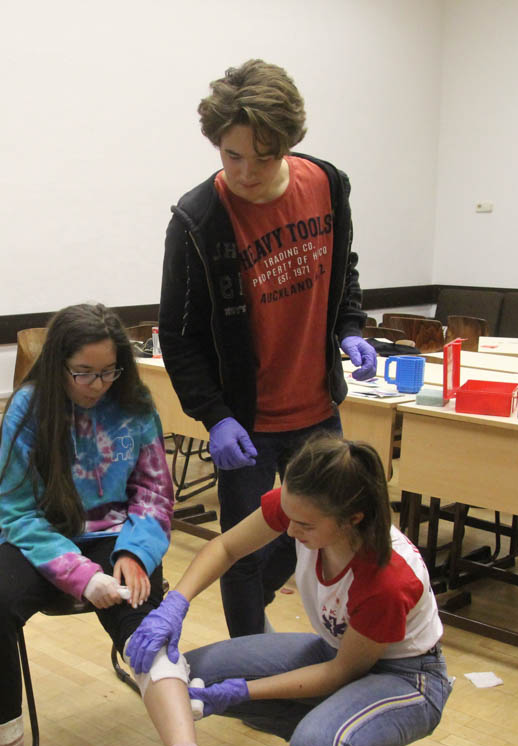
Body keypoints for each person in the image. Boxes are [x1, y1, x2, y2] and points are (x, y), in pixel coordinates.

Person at [127, 434, 449, 746]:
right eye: (290, 516)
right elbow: (226, 548)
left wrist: (244, 691)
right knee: (199, 673)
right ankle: (322, 738)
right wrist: (176, 603)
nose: (290, 529)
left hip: (407, 677)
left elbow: (341, 673)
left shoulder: (385, 580)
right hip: (337, 651)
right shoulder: (304, 506)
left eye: (305, 525)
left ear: (352, 519)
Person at [0, 303, 210, 746]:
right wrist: (81, 576)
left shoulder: (135, 404)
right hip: (43, 537)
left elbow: (154, 493)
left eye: (108, 371)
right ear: (58, 365)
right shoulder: (29, 407)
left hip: (117, 536)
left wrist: (135, 553)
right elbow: (17, 513)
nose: (97, 385)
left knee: (145, 623)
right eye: (84, 373)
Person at [158, 59, 379, 638]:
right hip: (246, 424)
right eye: (232, 155)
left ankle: (259, 621)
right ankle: (249, 656)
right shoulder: (198, 219)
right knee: (242, 548)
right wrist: (215, 415)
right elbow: (178, 334)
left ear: (288, 144)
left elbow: (344, 268)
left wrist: (350, 327)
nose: (245, 172)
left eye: (263, 156)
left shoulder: (327, 184)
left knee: (324, 528)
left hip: (317, 409)